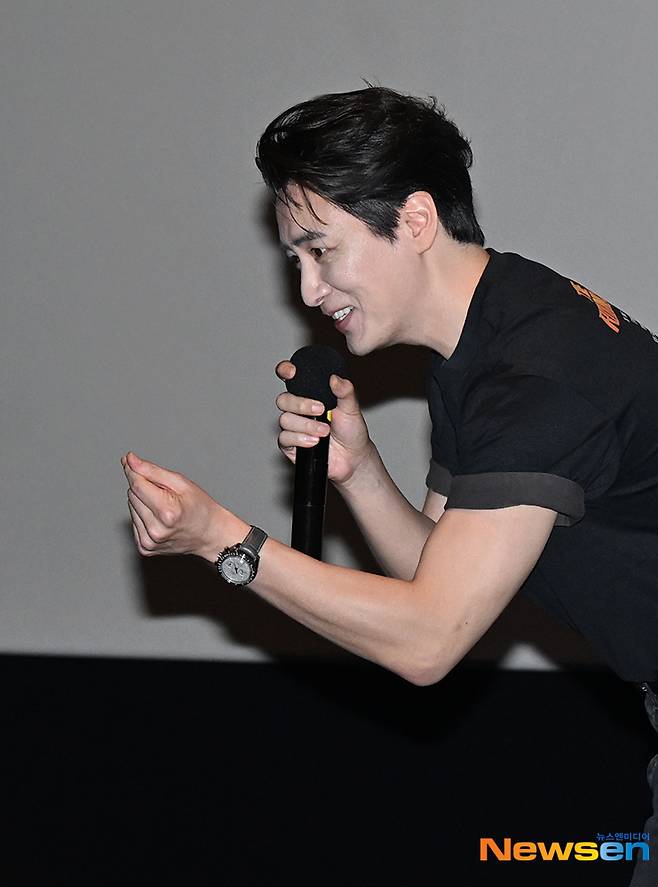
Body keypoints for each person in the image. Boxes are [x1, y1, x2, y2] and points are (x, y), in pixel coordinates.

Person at [121, 85, 657, 882]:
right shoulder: (488, 337)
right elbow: (433, 575)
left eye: (321, 251)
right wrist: (360, 470)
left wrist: (223, 542)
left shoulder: (533, 378)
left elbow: (428, 640)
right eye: (295, 261)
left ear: (414, 220)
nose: (307, 291)